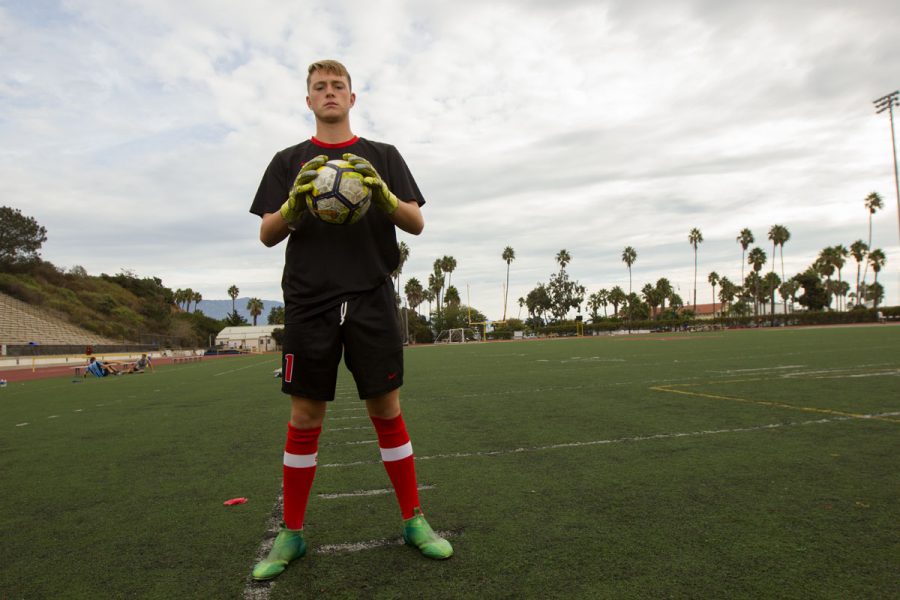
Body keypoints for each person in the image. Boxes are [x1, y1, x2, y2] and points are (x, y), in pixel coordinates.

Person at [248, 59, 452, 581]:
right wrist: (295, 204)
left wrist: (382, 194)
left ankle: (413, 520)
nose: (330, 93)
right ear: (309, 99)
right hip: (310, 301)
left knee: (386, 409)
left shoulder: (382, 156)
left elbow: (416, 222)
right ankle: (291, 534)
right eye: (320, 87)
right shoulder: (287, 161)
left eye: (338, 86)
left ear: (352, 98)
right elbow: (268, 233)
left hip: (370, 296)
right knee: (304, 418)